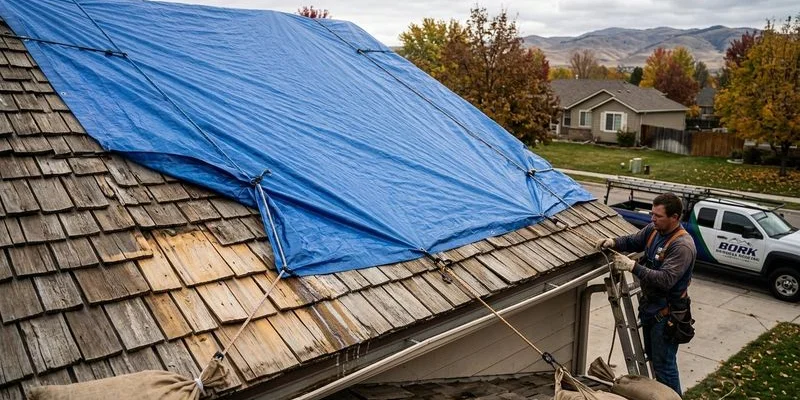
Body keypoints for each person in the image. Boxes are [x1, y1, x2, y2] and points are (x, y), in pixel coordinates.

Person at [595, 192, 696, 396]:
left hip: (666, 315)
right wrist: (613, 242)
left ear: (675, 217)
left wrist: (633, 267)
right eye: (652, 214)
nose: (653, 219)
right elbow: (633, 241)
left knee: (664, 367)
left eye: (658, 216)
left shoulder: (682, 246)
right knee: (653, 359)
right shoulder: (654, 230)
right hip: (651, 309)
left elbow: (666, 280)